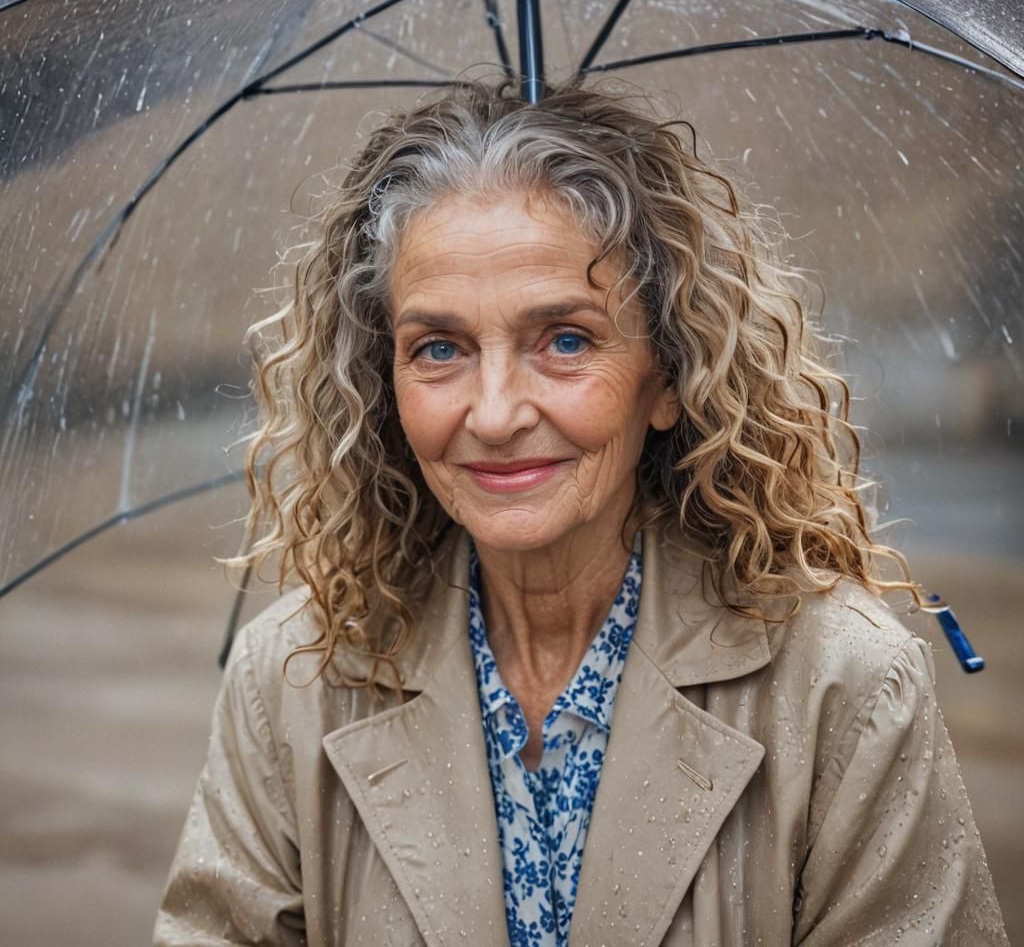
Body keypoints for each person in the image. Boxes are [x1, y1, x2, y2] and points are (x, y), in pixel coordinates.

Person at [154, 78, 1007, 946]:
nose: (494, 413)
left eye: (565, 339)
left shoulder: (844, 687)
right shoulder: (292, 679)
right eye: (439, 348)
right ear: (384, 383)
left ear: (668, 377)